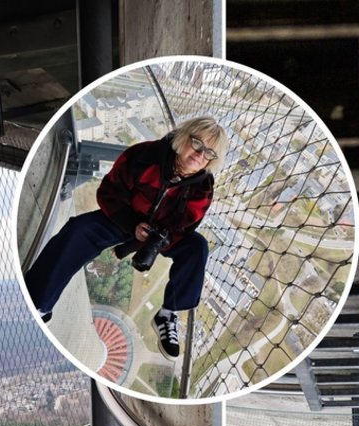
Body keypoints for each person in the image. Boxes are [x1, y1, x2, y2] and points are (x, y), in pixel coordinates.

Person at [24, 116, 227, 359]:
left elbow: (187, 224)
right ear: (183, 137)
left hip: (160, 233)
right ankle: (39, 301)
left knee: (197, 247)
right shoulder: (143, 156)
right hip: (124, 218)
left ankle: (168, 312)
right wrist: (133, 226)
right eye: (197, 143)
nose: (200, 155)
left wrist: (157, 238)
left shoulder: (203, 185)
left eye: (209, 153)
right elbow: (109, 192)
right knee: (78, 230)